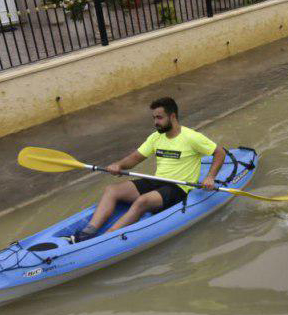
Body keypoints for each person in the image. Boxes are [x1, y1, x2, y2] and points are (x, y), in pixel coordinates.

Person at [72, 97, 226, 242]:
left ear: (172, 117)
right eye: (154, 118)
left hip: (179, 187)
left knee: (142, 201)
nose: (155, 122)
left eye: (159, 118)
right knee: (112, 190)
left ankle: (106, 238)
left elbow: (219, 152)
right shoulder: (155, 137)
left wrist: (210, 177)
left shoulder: (192, 137)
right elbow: (134, 159)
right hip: (157, 181)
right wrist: (118, 165)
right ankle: (88, 232)